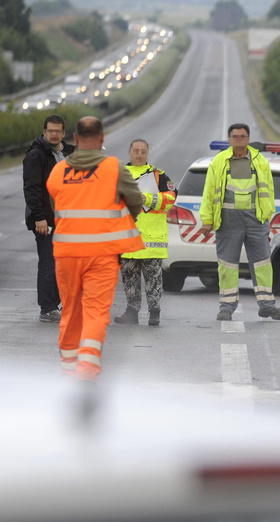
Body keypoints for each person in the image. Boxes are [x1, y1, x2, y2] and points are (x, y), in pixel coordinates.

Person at [46, 116, 144, 380]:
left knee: (70, 310)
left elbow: (58, 201)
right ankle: (87, 372)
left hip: (66, 254)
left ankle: (68, 371)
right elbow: (135, 200)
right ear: (101, 139)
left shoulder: (59, 171)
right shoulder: (114, 168)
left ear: (75, 139)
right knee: (95, 312)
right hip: (102, 254)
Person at [196, 123, 280, 322]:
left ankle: (267, 306)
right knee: (227, 265)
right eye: (235, 136)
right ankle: (226, 308)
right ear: (229, 139)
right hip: (228, 221)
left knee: (263, 263)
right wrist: (207, 220)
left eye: (243, 136)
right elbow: (209, 192)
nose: (239, 139)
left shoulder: (259, 160)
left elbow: (269, 190)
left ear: (248, 139)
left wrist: (267, 214)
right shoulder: (219, 161)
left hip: (256, 220)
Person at [114, 139, 177, 326]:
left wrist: (147, 198)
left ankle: (154, 312)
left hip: (151, 240)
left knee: (153, 281)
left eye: (143, 151)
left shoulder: (158, 176)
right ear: (130, 152)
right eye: (136, 151)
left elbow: (171, 197)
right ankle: (131, 312)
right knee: (129, 280)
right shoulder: (119, 174)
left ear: (148, 152)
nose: (139, 154)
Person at [23, 114, 75, 323]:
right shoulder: (36, 155)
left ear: (63, 133)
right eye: (50, 131)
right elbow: (32, 189)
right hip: (47, 219)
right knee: (48, 262)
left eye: (57, 131)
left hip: (68, 219)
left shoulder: (69, 154)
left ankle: (57, 303)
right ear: (44, 132)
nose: (53, 134)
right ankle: (47, 308)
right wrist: (39, 218)